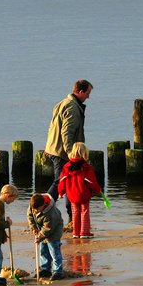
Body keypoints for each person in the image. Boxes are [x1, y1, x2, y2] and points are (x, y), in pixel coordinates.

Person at [45, 79, 94, 221]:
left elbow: (53, 127)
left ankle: (72, 217)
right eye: (87, 93)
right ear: (80, 92)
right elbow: (67, 133)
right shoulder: (72, 107)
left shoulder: (63, 103)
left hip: (55, 148)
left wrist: (49, 146)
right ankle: (42, 209)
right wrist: (71, 154)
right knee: (61, 181)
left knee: (67, 182)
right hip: (62, 152)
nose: (88, 97)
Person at [57, 142, 103, 239]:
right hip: (83, 193)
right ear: (84, 153)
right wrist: (98, 190)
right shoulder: (86, 167)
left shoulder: (67, 166)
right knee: (84, 212)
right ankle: (84, 233)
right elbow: (91, 182)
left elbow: (62, 180)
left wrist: (61, 192)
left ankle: (76, 232)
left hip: (72, 194)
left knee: (75, 212)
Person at [29, 193, 64, 280]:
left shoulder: (51, 213)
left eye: (38, 209)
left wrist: (40, 236)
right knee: (43, 250)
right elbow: (30, 216)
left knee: (54, 251)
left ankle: (58, 271)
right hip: (41, 229)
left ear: (44, 204)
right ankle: (45, 269)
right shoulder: (33, 206)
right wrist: (34, 228)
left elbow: (48, 228)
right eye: (34, 209)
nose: (36, 211)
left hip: (54, 231)